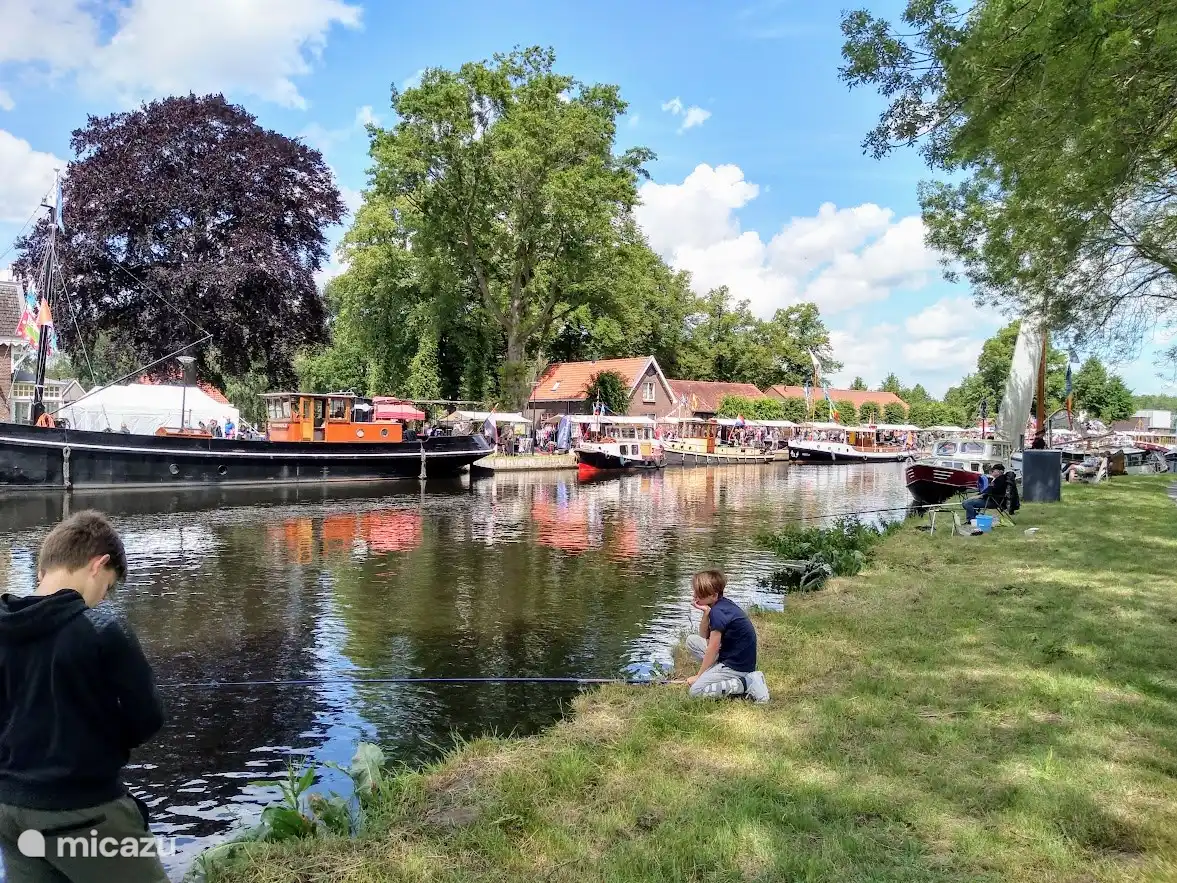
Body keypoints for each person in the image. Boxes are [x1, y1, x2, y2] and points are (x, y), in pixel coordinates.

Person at [0, 511, 166, 883]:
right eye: (106, 587)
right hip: (83, 812)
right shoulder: (102, 628)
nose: (101, 598)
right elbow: (147, 718)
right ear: (98, 564)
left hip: (9, 809)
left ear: (45, 567)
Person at [684, 570, 769, 702]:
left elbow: (713, 647)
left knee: (695, 691)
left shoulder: (718, 613)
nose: (695, 596)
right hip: (729, 656)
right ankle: (715, 672)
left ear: (713, 595)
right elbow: (703, 637)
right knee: (692, 641)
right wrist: (706, 613)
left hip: (736, 666)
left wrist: (699, 676)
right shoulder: (720, 605)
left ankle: (748, 682)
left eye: (699, 594)